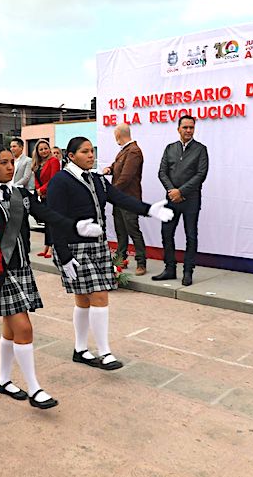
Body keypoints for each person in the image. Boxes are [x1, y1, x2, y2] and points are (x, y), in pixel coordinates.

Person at [0, 145, 102, 409]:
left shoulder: (21, 194)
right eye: (2, 162)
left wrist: (74, 226)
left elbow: (47, 214)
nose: (9, 167)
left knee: (9, 329)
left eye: (11, 161)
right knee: (24, 328)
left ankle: (4, 380)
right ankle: (35, 388)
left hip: (21, 267)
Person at [48, 137, 173, 370]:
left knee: (85, 299)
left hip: (98, 245)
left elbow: (121, 199)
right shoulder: (60, 182)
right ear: (71, 156)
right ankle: (104, 352)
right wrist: (63, 256)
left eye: (91, 151)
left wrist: (148, 210)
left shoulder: (97, 179)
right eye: (84, 152)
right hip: (75, 247)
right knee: (98, 297)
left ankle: (80, 349)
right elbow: (54, 221)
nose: (90, 155)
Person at [152, 115, 209, 286]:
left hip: (190, 200)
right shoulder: (170, 148)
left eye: (191, 127)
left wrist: (181, 191)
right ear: (178, 129)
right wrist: (172, 191)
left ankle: (187, 271)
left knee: (191, 236)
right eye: (185, 127)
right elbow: (162, 172)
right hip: (171, 200)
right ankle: (170, 269)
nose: (188, 131)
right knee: (166, 233)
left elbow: (201, 174)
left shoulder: (201, 149)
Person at [102, 124, 147, 276]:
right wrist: (109, 168)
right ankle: (120, 260)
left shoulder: (133, 151)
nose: (115, 138)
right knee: (120, 231)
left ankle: (141, 262)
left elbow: (126, 177)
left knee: (133, 231)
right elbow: (117, 167)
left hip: (128, 199)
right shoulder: (124, 151)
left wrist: (111, 192)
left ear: (119, 135)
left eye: (115, 135)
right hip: (120, 199)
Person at [31, 139, 60, 258]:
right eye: (41, 149)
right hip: (43, 196)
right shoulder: (37, 163)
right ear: (37, 151)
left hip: (53, 195)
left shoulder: (53, 161)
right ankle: (47, 245)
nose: (44, 151)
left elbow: (54, 179)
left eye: (46, 148)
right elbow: (36, 179)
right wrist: (38, 191)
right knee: (47, 222)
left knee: (52, 222)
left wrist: (41, 190)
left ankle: (52, 247)